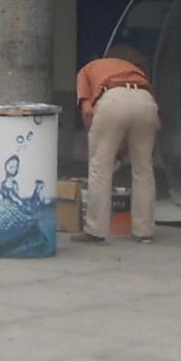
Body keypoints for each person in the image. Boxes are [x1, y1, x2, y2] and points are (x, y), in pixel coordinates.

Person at [74, 43, 160, 244]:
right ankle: (144, 231)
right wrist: (122, 151)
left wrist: (95, 137)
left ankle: (96, 230)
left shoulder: (90, 68)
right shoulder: (137, 72)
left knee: (100, 169)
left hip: (112, 98)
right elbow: (156, 124)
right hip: (145, 101)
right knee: (143, 169)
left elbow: (87, 110)